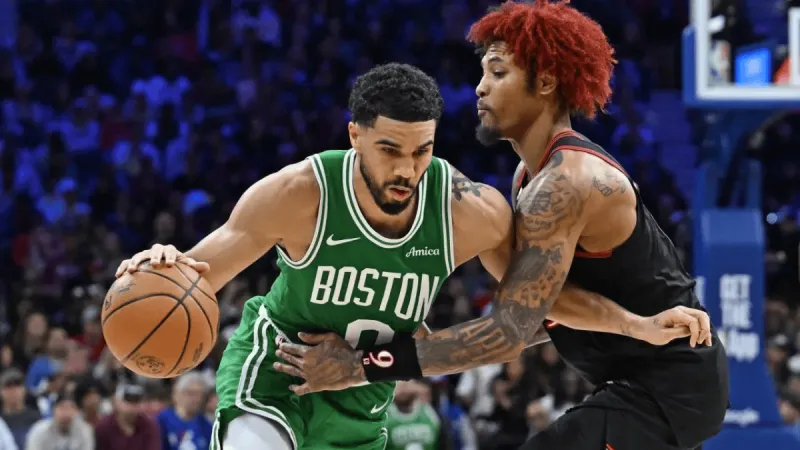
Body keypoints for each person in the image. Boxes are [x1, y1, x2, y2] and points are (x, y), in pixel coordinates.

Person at [116, 63, 712, 450]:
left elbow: (531, 310)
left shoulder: (470, 212)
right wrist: (168, 263)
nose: (406, 169)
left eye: (421, 151)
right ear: (354, 136)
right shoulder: (299, 193)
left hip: (362, 402)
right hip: (274, 375)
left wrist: (636, 325)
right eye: (389, 150)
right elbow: (201, 273)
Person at [269, 2, 729, 450]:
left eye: (497, 72)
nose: (479, 88)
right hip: (641, 382)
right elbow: (538, 312)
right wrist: (633, 324)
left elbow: (508, 333)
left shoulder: (567, 184)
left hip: (669, 388)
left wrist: (359, 366)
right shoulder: (530, 177)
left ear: (545, 82)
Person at [384, 381, 453, 450]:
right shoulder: (385, 414)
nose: (404, 389)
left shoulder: (430, 412)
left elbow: (445, 441)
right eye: (400, 385)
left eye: (406, 384)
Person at [94, 384, 160, 450]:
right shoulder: (103, 427)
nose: (133, 405)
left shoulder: (149, 425)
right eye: (128, 400)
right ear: (116, 402)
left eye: (137, 400)